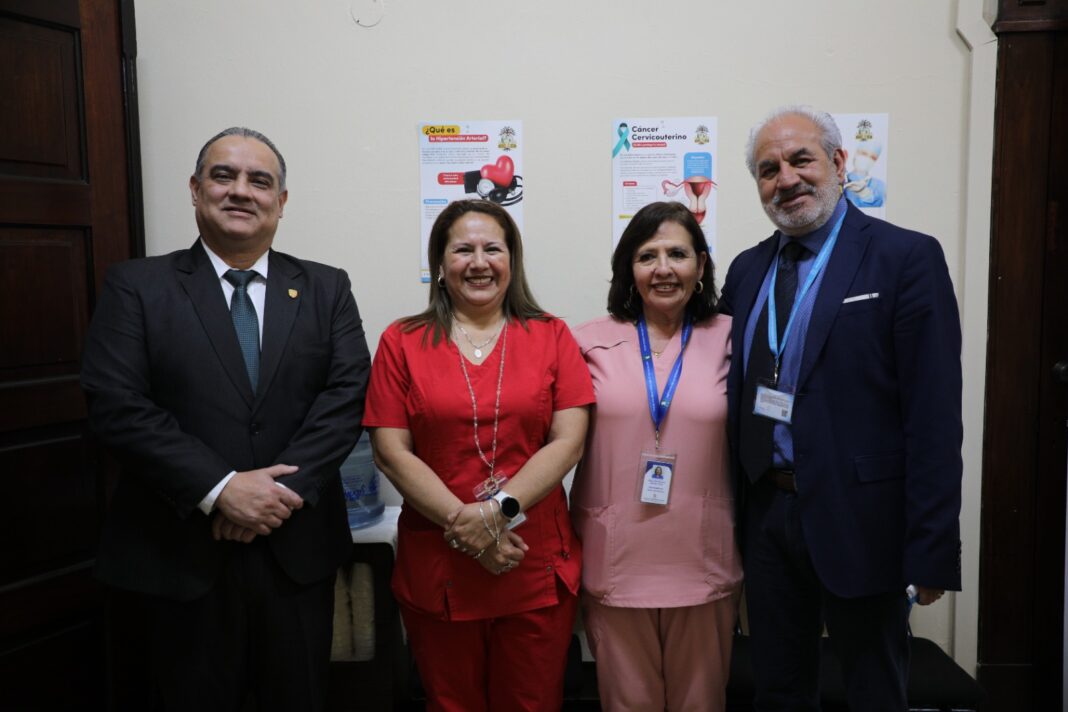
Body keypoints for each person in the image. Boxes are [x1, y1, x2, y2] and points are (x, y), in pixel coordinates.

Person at [81, 127, 370, 711]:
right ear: (195, 189)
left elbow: (345, 399)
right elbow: (117, 405)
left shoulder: (326, 287)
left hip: (296, 557)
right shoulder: (137, 286)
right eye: (223, 175)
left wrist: (272, 495)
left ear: (280, 202)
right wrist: (221, 489)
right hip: (177, 557)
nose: (241, 190)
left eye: (259, 181)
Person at [721, 105, 963, 711]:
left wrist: (932, 548)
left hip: (865, 520)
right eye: (768, 170)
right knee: (778, 690)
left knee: (873, 691)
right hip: (767, 515)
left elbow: (934, 417)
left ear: (837, 161)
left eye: (800, 160)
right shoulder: (747, 271)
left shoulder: (904, 258)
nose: (786, 179)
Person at [363, 199, 594, 711]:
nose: (479, 262)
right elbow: (391, 452)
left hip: (530, 560)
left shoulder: (551, 335)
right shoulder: (402, 341)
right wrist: (466, 528)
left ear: (512, 261)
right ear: (440, 265)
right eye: (462, 250)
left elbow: (569, 442)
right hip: (440, 562)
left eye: (493, 249)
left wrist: (493, 515)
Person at [571, 201, 742, 711]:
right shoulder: (586, 342)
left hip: (703, 557)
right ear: (629, 268)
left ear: (701, 264)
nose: (663, 269)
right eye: (647, 256)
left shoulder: (735, 337)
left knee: (701, 702)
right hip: (616, 557)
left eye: (677, 254)